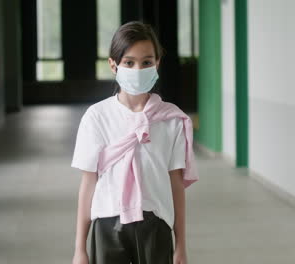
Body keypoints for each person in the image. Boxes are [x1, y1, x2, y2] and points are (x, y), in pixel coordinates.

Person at [71, 21, 198, 264]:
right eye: (129, 62)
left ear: (157, 63)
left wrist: (180, 245)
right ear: (113, 64)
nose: (138, 69)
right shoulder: (97, 117)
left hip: (156, 224)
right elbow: (88, 184)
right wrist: (80, 248)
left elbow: (175, 185)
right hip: (107, 224)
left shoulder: (171, 119)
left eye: (147, 62)